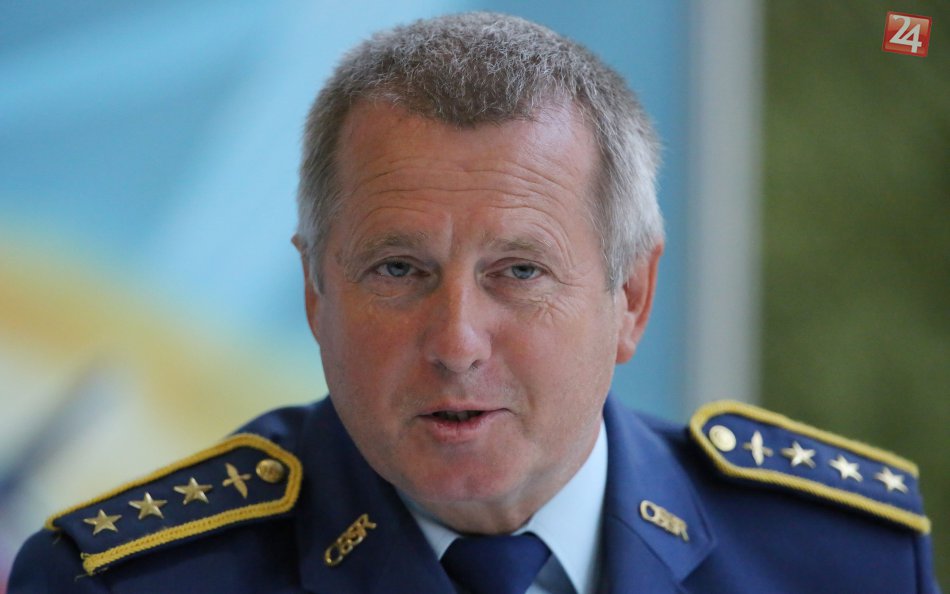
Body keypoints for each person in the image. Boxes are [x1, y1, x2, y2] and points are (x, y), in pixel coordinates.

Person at [9, 12, 940, 594]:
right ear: (316, 292)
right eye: (397, 270)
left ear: (632, 296)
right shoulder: (128, 581)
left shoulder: (844, 561)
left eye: (519, 272)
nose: (455, 341)